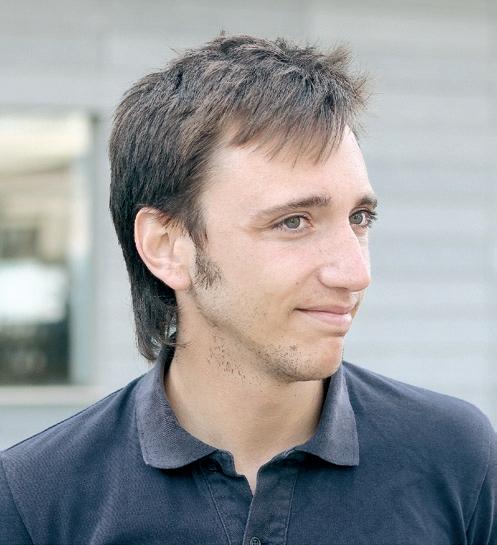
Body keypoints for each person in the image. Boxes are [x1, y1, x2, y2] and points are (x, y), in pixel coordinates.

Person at [1, 34, 495, 545]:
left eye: (359, 218)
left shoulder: (457, 458)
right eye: (293, 222)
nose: (355, 273)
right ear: (167, 246)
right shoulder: (36, 497)